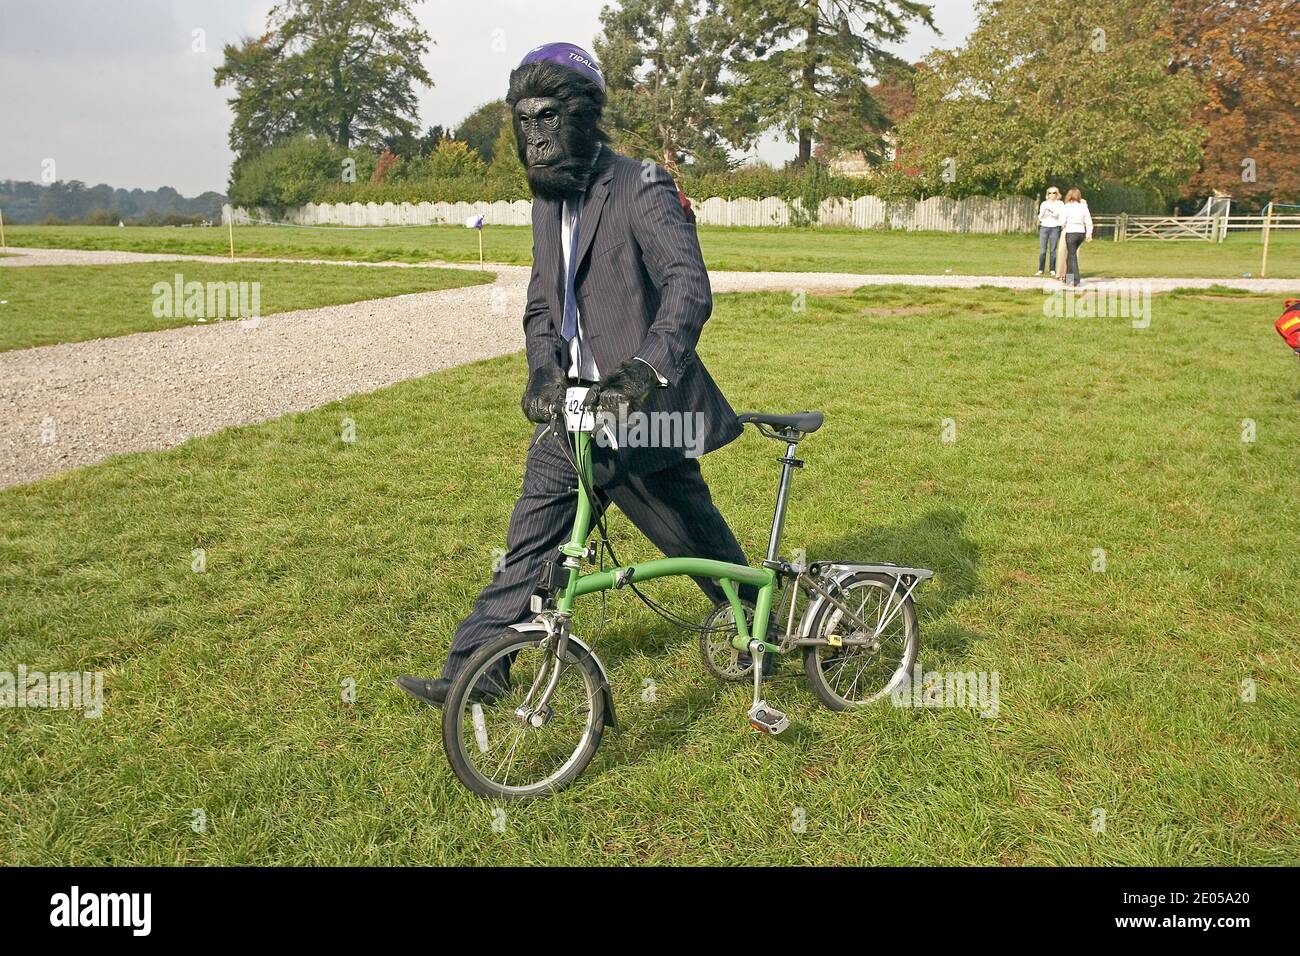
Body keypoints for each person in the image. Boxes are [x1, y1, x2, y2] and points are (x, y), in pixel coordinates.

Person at [395, 42, 754, 707]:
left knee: (691, 534)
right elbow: (541, 304)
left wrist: (641, 375)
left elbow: (688, 289)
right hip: (575, 414)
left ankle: (760, 628)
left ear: (584, 116)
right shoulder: (543, 205)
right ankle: (474, 673)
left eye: (548, 118)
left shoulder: (640, 186)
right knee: (530, 538)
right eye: (524, 120)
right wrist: (541, 373)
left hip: (646, 411)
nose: (535, 137)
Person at [1059, 187, 1093, 287]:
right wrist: (1088, 234)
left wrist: (1063, 224)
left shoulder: (1067, 206)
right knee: (1070, 255)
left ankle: (1076, 280)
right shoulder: (1083, 207)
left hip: (1071, 232)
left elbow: (1062, 221)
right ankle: (1068, 279)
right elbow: (1088, 221)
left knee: (1072, 256)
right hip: (1081, 233)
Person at [1036, 187, 1064, 276]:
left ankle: (1052, 269)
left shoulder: (1060, 203)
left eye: (1054, 193)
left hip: (1055, 227)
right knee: (1043, 250)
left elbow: (1059, 215)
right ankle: (1041, 269)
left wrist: (1051, 211)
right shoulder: (1044, 204)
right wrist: (1045, 211)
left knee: (1053, 250)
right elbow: (1040, 217)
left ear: (1057, 194)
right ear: (1047, 194)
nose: (1052, 195)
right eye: (1050, 193)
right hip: (1044, 227)